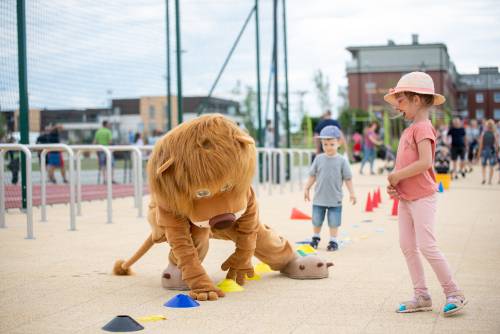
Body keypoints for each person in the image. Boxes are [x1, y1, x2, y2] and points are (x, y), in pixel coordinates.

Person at [384, 71, 467, 316]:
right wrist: (395, 182)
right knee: (407, 245)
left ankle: (454, 292)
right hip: (407, 198)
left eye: (401, 100)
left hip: (423, 197)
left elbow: (425, 162)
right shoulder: (409, 130)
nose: (398, 106)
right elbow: (404, 164)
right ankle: (421, 295)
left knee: (427, 245)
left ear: (417, 100)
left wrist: (398, 176)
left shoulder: (423, 128)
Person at [303, 125, 356, 251]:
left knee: (334, 221)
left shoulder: (342, 161)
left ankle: (333, 240)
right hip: (319, 197)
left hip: (335, 198)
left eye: (331, 144)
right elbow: (312, 175)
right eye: (325, 144)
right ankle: (316, 237)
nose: (328, 147)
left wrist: (352, 193)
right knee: (316, 220)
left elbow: (348, 178)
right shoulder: (319, 159)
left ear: (339, 143)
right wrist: (307, 188)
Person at [476, 119, 498, 185]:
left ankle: (484, 178)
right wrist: (497, 153)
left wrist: (478, 154)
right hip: (492, 150)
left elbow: (481, 144)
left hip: (485, 150)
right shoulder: (495, 133)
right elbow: (496, 144)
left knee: (483, 165)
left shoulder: (483, 133)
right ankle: (490, 180)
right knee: (491, 166)